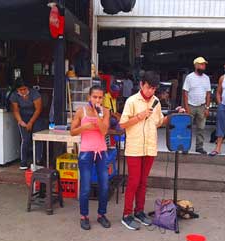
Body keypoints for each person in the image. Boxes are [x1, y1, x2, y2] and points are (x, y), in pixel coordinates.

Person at [119, 71, 185, 230]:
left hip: (150, 147)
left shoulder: (156, 101)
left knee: (143, 182)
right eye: (148, 87)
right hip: (134, 148)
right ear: (142, 84)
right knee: (134, 182)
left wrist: (174, 114)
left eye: (154, 89)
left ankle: (139, 211)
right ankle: (127, 215)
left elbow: (159, 122)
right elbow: (122, 124)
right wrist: (139, 116)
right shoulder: (132, 101)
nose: (151, 91)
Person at [70, 85, 111, 230]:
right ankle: (84, 216)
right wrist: (84, 128)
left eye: (100, 97)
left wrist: (98, 114)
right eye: (95, 97)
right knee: (86, 187)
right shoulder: (81, 111)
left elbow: (104, 130)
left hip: (101, 152)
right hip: (86, 152)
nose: (97, 100)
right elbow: (72, 132)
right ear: (89, 97)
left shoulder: (105, 111)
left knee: (105, 186)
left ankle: (101, 215)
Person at [10, 77, 45, 170]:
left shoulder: (34, 93)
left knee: (37, 138)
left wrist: (31, 122)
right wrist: (20, 121)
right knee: (25, 139)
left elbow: (38, 109)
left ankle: (38, 160)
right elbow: (16, 110)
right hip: (23, 117)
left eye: (24, 89)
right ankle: (23, 161)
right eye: (20, 89)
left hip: (36, 117)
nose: (22, 91)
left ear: (28, 88)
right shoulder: (14, 96)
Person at [182, 57, 211, 154]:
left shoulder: (206, 78)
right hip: (190, 105)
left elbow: (208, 94)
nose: (203, 66)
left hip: (202, 106)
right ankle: (185, 147)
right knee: (187, 127)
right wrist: (186, 108)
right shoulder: (189, 77)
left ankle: (199, 147)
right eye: (201, 64)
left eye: (204, 65)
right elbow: (185, 93)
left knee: (201, 128)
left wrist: (207, 107)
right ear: (196, 65)